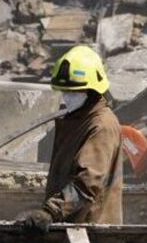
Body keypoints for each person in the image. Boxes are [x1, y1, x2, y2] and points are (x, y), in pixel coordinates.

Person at [16, 46, 124, 231]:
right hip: (75, 225)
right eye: (64, 91)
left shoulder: (101, 127)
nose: (67, 96)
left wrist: (51, 211)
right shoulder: (78, 120)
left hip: (92, 231)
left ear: (92, 91)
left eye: (74, 91)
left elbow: (87, 184)